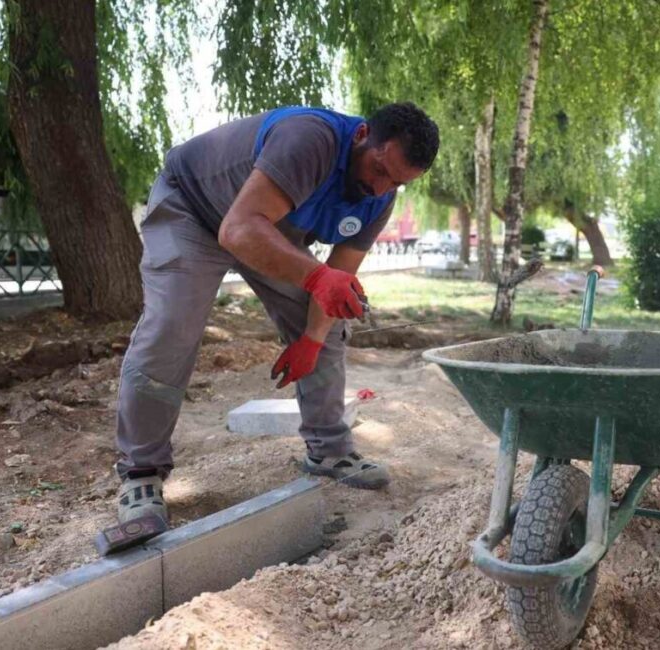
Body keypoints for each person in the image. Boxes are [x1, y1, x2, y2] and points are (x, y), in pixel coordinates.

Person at [113, 102, 439, 524]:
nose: (380, 188)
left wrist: (311, 340)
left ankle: (329, 451)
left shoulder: (381, 197)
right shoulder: (310, 139)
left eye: (396, 182)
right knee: (171, 329)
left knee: (325, 321)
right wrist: (319, 280)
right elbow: (238, 230)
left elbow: (337, 279)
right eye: (379, 170)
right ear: (361, 137)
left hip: (263, 225)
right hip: (192, 208)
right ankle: (141, 470)